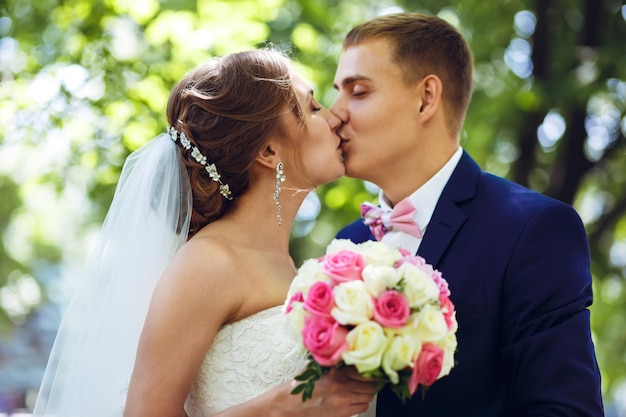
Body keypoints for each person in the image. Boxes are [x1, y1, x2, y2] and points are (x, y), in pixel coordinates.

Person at [33, 48, 376, 417]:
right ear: (267, 149)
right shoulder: (208, 262)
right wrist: (282, 406)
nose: (335, 118)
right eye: (313, 108)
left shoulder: (289, 264)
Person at [331, 12, 604, 416]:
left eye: (358, 91)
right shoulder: (346, 244)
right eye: (337, 92)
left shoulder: (533, 229)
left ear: (426, 98)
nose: (335, 113)